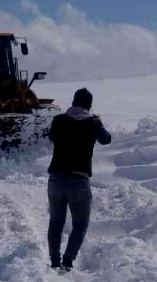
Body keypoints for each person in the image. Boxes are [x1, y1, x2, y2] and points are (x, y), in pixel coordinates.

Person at [46, 88, 112, 272]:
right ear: (89, 105)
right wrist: (96, 123)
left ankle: (54, 260)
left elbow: (52, 137)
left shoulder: (59, 120)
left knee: (56, 221)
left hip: (56, 179)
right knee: (80, 224)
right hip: (79, 180)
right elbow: (107, 140)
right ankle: (67, 262)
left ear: (73, 102)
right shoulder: (93, 123)